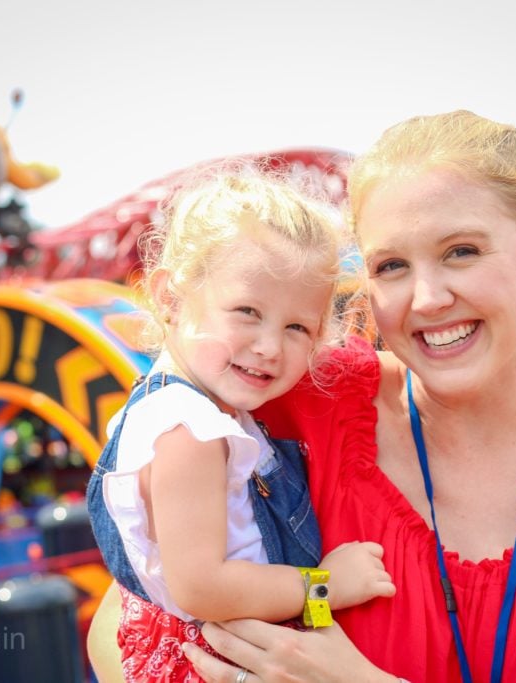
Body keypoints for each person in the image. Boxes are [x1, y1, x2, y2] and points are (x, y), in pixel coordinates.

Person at [173, 111, 516, 682]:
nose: (427, 298)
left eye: (461, 251)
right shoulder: (298, 403)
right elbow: (122, 622)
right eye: (391, 265)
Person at [85, 173, 396, 681]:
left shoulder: (209, 415)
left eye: (298, 327)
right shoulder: (191, 432)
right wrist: (326, 588)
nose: (270, 347)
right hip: (214, 658)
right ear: (169, 297)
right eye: (247, 312)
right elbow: (203, 589)